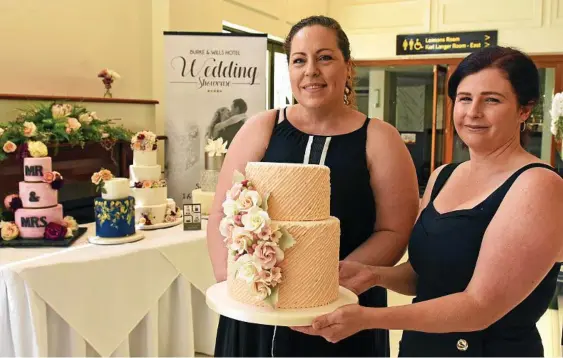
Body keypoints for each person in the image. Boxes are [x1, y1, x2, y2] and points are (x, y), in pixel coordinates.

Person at [293, 46, 563, 356]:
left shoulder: (539, 185)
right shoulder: (443, 176)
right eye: (464, 98)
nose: (473, 112)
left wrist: (370, 318)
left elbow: (480, 307)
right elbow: (425, 276)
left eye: (492, 100)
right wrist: (373, 275)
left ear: (524, 110)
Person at [206, 15, 420, 357]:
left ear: (347, 67)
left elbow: (394, 230)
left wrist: (326, 284)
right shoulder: (260, 128)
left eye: (325, 57)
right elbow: (222, 212)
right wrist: (234, 281)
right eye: (299, 60)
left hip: (343, 311)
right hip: (258, 308)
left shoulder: (380, 138)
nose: (311, 71)